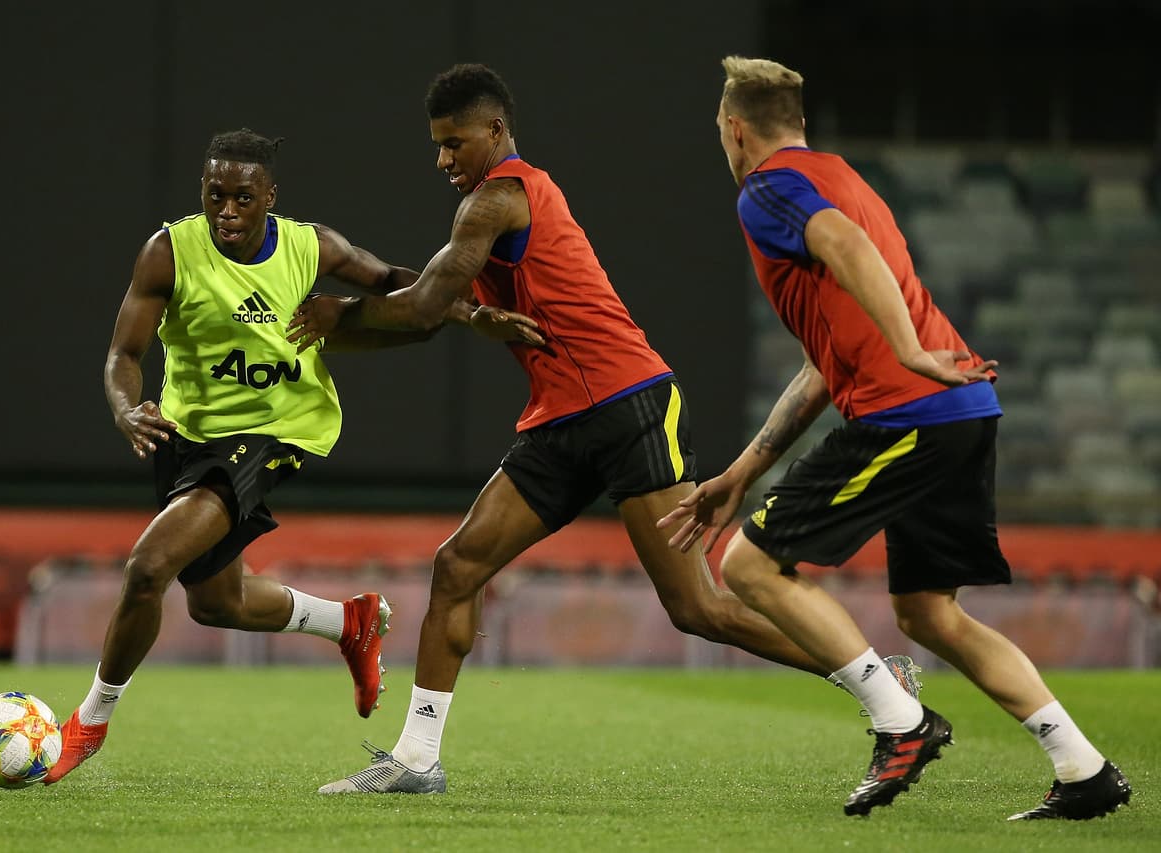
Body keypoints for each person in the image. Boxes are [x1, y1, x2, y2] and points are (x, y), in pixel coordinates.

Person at [289, 64, 922, 796]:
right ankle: (416, 758)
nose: (443, 160)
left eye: (453, 142)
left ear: (495, 132)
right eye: (436, 145)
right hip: (561, 419)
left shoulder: (500, 197)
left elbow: (425, 305)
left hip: (629, 404)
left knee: (698, 607)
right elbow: (428, 298)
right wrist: (371, 319)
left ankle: (880, 675)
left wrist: (339, 317)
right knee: (458, 565)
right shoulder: (488, 204)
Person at [659, 56, 1133, 820]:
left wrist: (909, 351)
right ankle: (1082, 767)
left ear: (734, 127)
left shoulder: (766, 189)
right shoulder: (839, 174)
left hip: (909, 408)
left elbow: (846, 246)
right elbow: (824, 365)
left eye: (720, 129)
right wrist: (745, 469)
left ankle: (899, 720)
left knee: (747, 564)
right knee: (928, 614)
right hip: (962, 407)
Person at [44, 128, 540, 784]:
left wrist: (471, 314)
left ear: (269, 198)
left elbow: (398, 282)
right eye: (214, 195)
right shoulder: (168, 252)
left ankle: (90, 720)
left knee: (148, 567)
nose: (226, 210)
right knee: (215, 602)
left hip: (275, 431)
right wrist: (124, 406)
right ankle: (349, 621)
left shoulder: (310, 245)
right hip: (187, 436)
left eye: (242, 198)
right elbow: (123, 356)